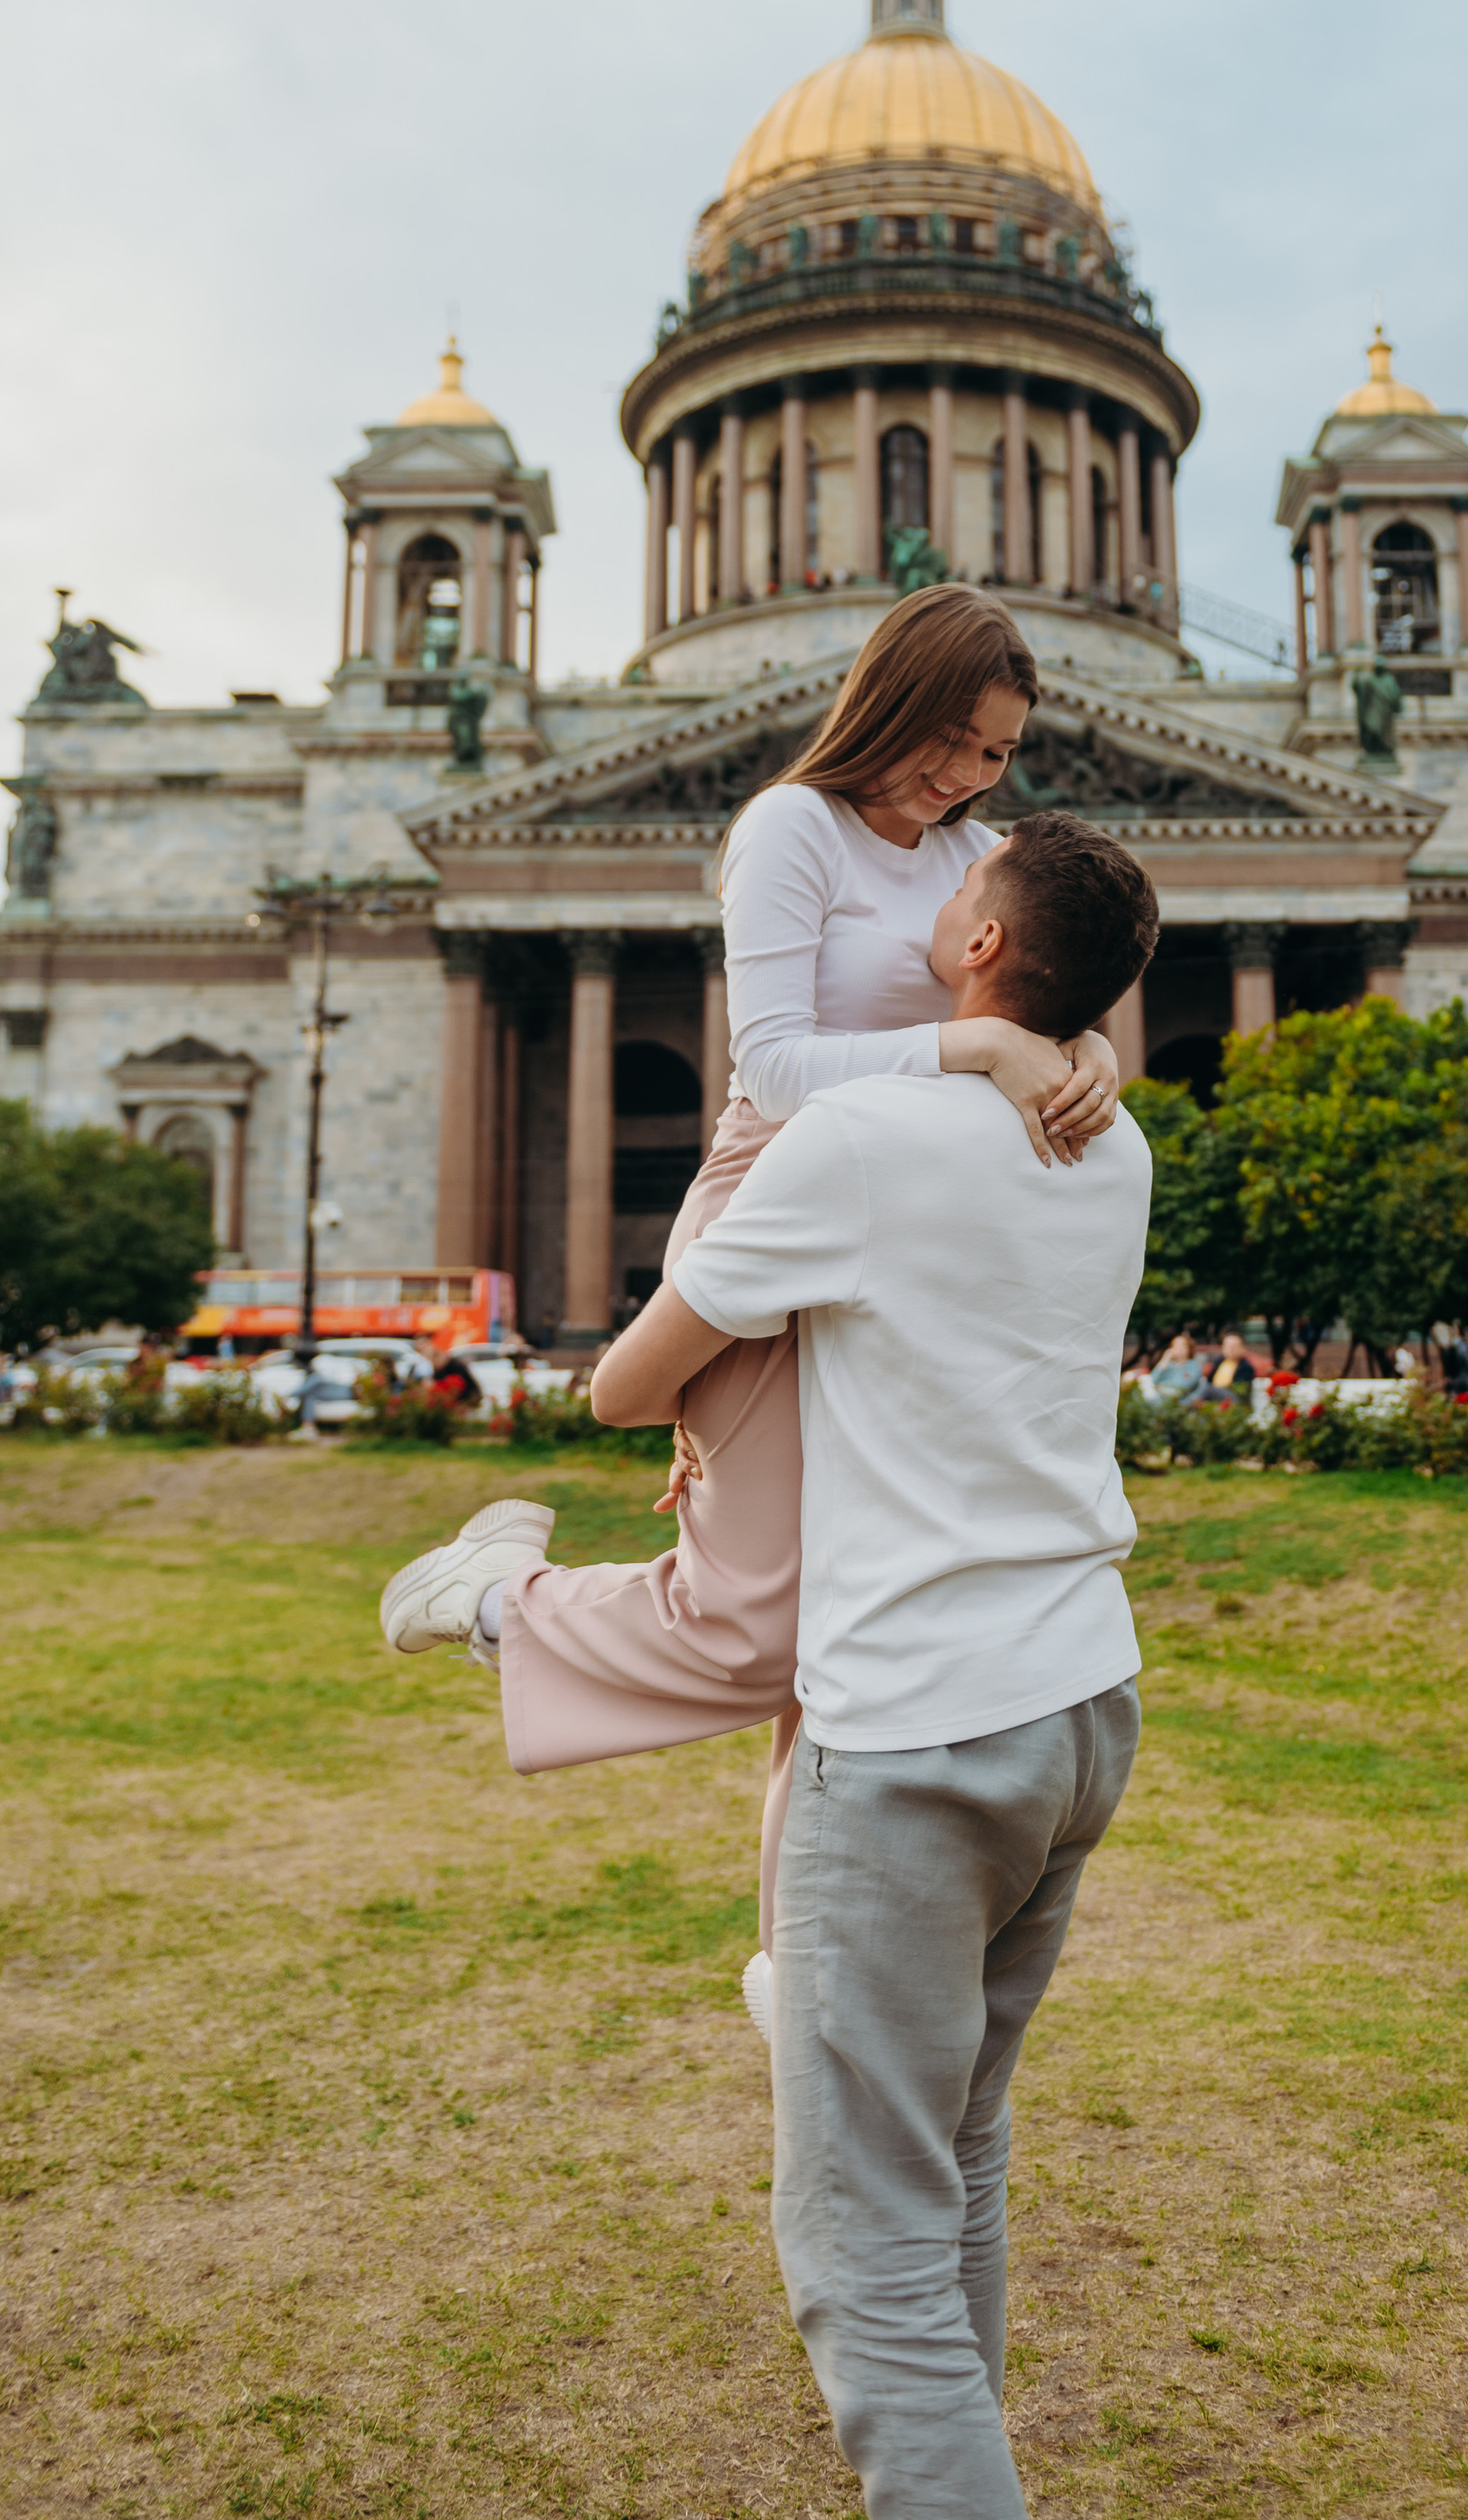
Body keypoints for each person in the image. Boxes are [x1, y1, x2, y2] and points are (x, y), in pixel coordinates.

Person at [379, 588, 1126, 1968]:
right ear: (895, 699)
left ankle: (799, 1965)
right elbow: (775, 1061)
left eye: (999, 754)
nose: (968, 778)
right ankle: (488, 1595)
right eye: (955, 739)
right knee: (756, 1618)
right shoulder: (790, 826)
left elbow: (1040, 992)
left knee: (840, 1625)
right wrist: (972, 1055)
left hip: (896, 1236)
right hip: (769, 1202)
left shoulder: (979, 852)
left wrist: (1092, 1056)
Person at [590, 809, 1154, 2518]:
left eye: (962, 878)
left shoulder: (856, 1145)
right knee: (958, 2157)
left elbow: (625, 1382)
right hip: (1078, 1704)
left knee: (866, 2267)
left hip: (912, 1733)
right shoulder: (1109, 1145)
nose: (934, 875)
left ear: (983, 945)